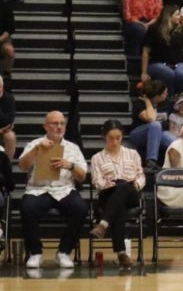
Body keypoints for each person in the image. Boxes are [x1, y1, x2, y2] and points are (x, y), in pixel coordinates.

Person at [18, 111, 88, 270]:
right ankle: (35, 253)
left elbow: (82, 176)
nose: (59, 127)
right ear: (45, 126)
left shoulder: (73, 147)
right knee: (27, 208)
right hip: (38, 189)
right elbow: (22, 166)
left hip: (64, 189)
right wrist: (36, 150)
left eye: (62, 123)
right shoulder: (34, 144)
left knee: (81, 208)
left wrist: (69, 165)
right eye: (54, 123)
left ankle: (64, 251)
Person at [88, 120, 146, 269]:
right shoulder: (97, 158)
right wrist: (106, 185)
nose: (114, 141)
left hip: (130, 193)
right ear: (104, 137)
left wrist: (136, 184)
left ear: (122, 137)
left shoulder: (132, 154)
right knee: (117, 201)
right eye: (111, 138)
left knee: (124, 187)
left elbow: (141, 176)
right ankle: (121, 254)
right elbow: (96, 181)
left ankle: (103, 224)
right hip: (109, 193)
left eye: (118, 137)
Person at [141, 5, 183, 96]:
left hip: (178, 63)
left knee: (181, 73)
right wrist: (144, 73)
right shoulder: (154, 29)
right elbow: (146, 51)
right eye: (177, 15)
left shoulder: (181, 29)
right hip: (157, 63)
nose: (180, 17)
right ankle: (168, 97)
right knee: (169, 74)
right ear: (169, 16)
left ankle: (181, 96)